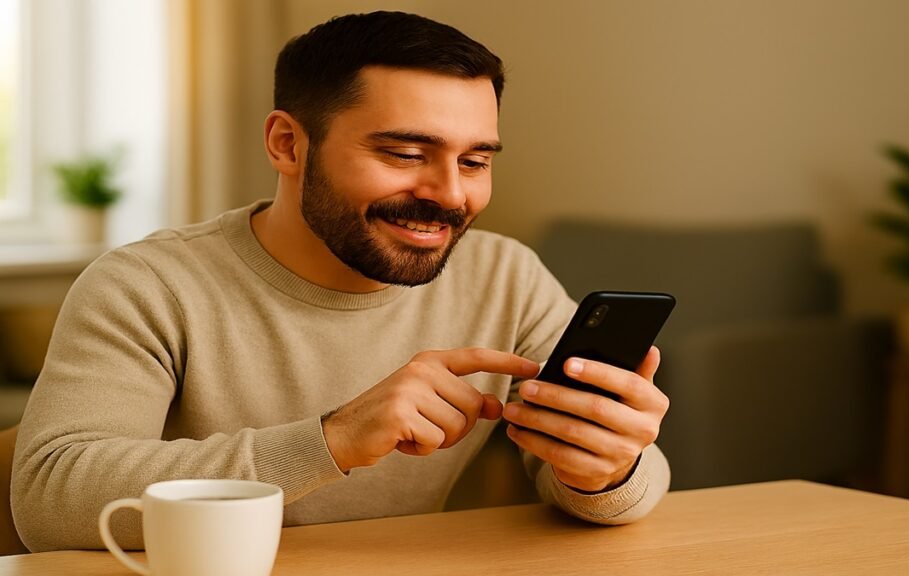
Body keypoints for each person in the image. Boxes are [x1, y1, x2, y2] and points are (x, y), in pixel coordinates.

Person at [12, 11, 670, 552]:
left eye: (474, 161)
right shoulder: (146, 285)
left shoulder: (504, 276)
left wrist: (607, 467)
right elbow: (49, 499)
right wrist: (330, 441)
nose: (449, 194)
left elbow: (622, 489)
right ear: (288, 145)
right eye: (405, 154)